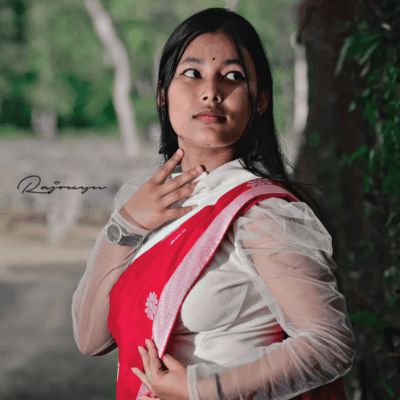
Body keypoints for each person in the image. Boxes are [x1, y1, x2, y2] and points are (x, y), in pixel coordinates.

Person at [72, 7, 356, 400]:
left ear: (259, 100)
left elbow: (328, 344)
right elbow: (91, 340)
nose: (211, 92)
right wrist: (126, 225)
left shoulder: (265, 214)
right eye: (192, 73)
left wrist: (202, 389)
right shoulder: (141, 201)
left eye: (233, 76)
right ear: (162, 93)